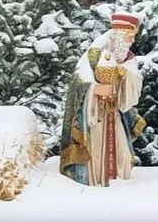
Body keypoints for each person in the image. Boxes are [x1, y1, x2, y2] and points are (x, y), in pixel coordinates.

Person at [59, 12, 145, 186]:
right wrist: (95, 89)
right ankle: (95, 182)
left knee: (123, 153)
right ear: (119, 35)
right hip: (94, 115)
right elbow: (78, 81)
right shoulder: (94, 52)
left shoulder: (127, 57)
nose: (132, 42)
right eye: (130, 37)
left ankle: (121, 182)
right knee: (96, 151)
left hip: (114, 112)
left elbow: (134, 83)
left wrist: (124, 74)